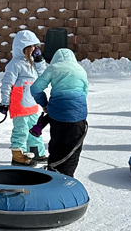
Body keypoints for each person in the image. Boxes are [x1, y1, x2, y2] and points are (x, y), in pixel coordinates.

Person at [30, 48, 89, 177]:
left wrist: (44, 104)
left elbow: (35, 89)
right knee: (72, 150)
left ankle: (53, 177)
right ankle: (67, 179)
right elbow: (84, 92)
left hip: (56, 115)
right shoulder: (80, 70)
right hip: (77, 117)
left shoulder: (53, 68)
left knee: (56, 146)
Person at [0, 30, 48, 166]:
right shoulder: (14, 64)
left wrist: (39, 61)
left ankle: (36, 152)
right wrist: (4, 103)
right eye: (32, 46)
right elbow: (6, 85)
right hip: (19, 105)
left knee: (35, 129)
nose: (34, 49)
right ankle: (19, 156)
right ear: (24, 48)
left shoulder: (32, 63)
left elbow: (43, 76)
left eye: (36, 46)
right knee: (21, 131)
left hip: (32, 104)